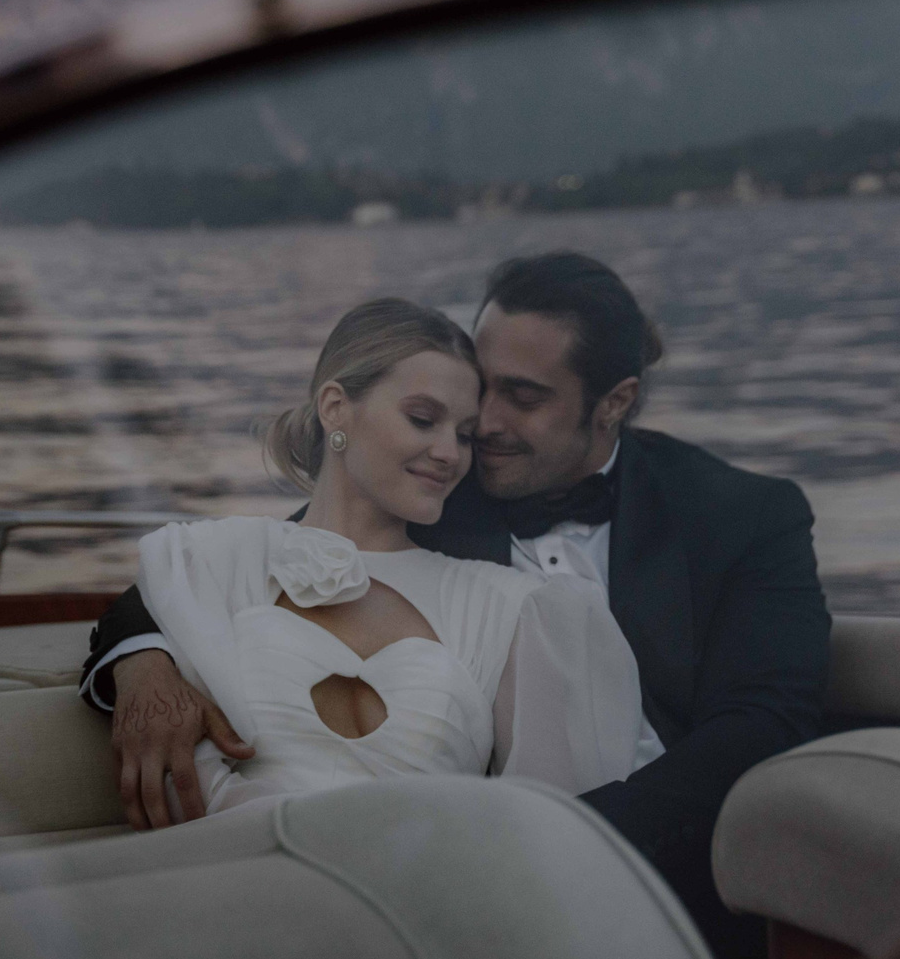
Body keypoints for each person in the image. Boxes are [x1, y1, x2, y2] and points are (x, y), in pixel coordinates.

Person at [85, 253, 831, 959]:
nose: (483, 427)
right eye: (480, 387)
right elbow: (215, 574)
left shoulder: (742, 513)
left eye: (524, 397)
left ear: (615, 402)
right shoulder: (436, 477)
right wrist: (142, 665)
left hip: (641, 863)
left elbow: (762, 724)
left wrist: (541, 849)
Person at [128, 297, 646, 817]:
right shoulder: (210, 560)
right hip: (235, 872)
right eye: (423, 419)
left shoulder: (514, 610)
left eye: (464, 435)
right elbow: (178, 784)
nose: (450, 452)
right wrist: (138, 666)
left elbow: (547, 823)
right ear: (335, 408)